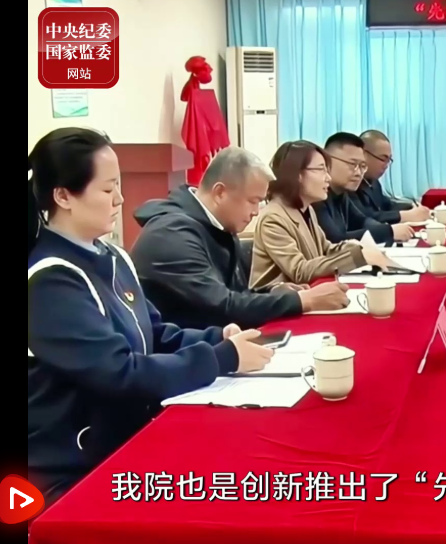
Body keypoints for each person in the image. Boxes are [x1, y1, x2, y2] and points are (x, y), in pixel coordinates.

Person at [27, 128, 273, 506]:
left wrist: (216, 337)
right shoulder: (50, 280)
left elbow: (153, 333)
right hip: (76, 468)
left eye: (119, 185)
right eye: (108, 189)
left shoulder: (113, 257)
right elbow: (119, 372)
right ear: (63, 196)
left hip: (130, 436)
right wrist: (222, 358)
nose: (120, 199)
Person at [131, 147, 351, 330]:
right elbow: (221, 307)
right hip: (182, 351)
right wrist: (304, 301)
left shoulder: (218, 225)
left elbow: (233, 294)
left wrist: (273, 291)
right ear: (220, 193)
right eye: (252, 201)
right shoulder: (172, 235)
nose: (256, 212)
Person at [250, 140, 393, 290]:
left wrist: (358, 247)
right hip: (279, 300)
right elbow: (300, 271)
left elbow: (326, 250)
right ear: (297, 174)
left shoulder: (306, 209)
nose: (328, 178)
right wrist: (357, 256)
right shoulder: (273, 218)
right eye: (321, 169)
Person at [314, 132, 415, 245]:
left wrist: (390, 229)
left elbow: (361, 221)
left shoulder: (341, 193)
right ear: (327, 161)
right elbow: (335, 240)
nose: (358, 173)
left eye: (362, 166)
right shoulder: (316, 196)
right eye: (352, 164)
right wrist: (389, 232)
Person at [356, 129, 431, 224]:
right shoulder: (350, 184)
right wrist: (404, 216)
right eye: (383, 159)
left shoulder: (374, 182)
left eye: (389, 160)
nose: (386, 165)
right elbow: (364, 218)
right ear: (363, 154)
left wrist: (412, 206)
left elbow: (387, 205)